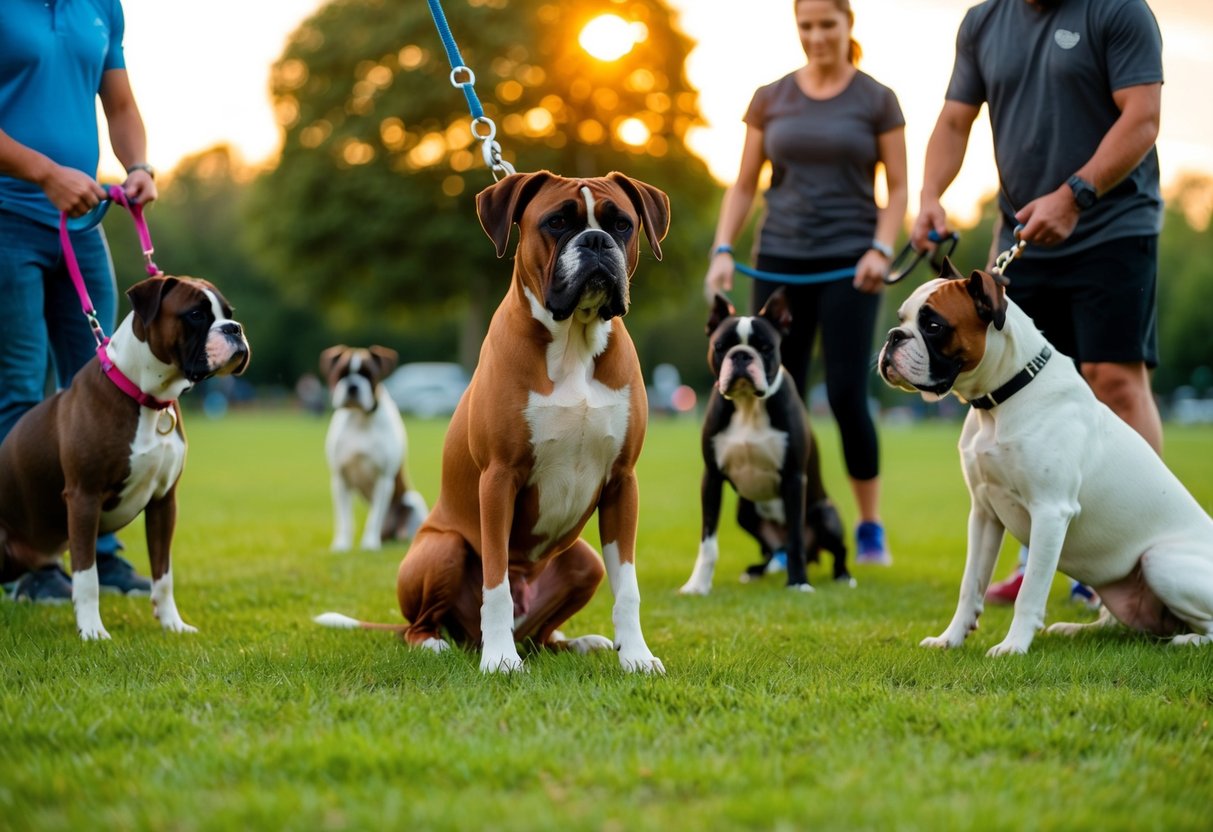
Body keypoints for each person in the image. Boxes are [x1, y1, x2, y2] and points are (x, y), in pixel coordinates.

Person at [910, 0, 1164, 605]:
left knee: (1115, 381)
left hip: (1113, 225)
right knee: (1016, 396)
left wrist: (1075, 195)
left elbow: (1144, 118)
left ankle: (1132, 559)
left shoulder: (1118, 11)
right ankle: (1042, 561)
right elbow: (953, 122)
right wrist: (929, 196)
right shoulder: (982, 22)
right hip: (1024, 234)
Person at [704, 0, 907, 565]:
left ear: (848, 24)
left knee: (846, 394)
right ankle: (778, 531)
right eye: (806, 26)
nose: (816, 36)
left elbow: (898, 191)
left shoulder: (877, 99)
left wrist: (881, 248)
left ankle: (868, 527)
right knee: (770, 394)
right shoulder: (771, 97)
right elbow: (744, 184)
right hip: (778, 263)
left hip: (851, 265)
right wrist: (724, 247)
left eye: (827, 24)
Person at [0, 0, 158, 601]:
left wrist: (137, 165)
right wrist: (44, 173)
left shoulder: (100, 7)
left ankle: (102, 555)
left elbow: (119, 104)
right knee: (19, 390)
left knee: (104, 386)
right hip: (7, 216)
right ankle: (31, 557)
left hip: (82, 222)